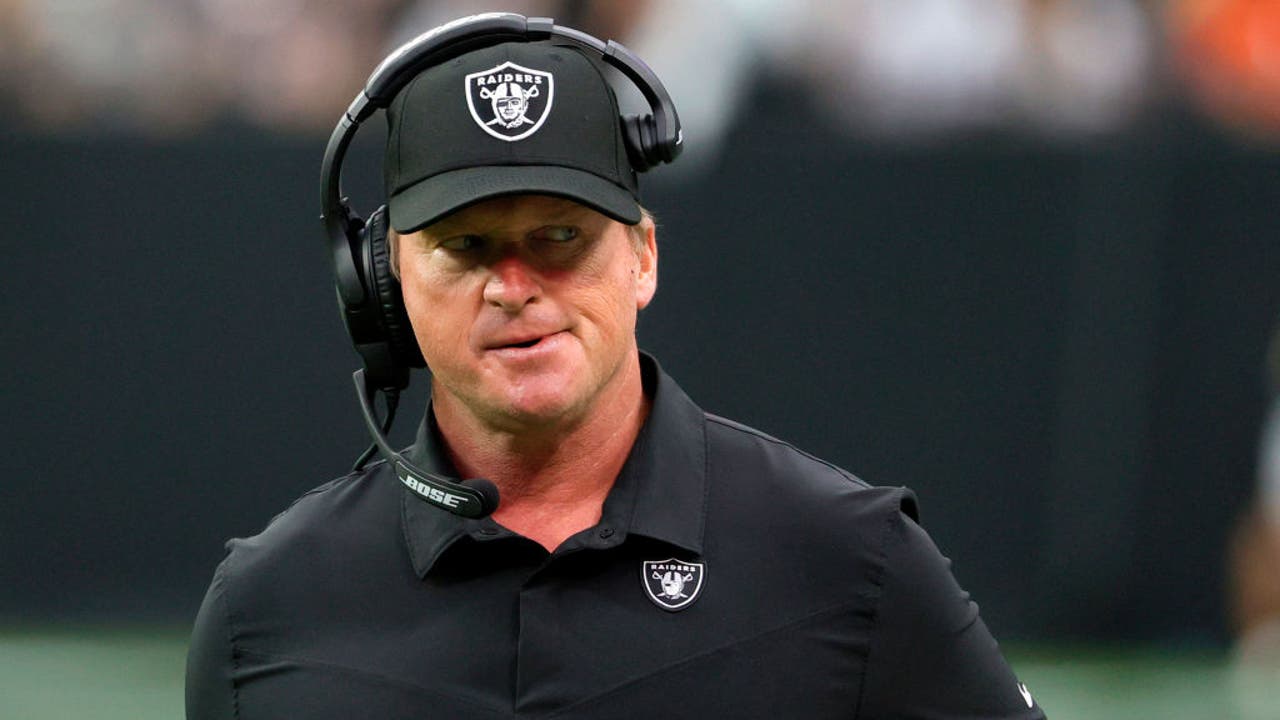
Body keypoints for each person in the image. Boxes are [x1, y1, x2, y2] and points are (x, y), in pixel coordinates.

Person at [186, 15, 1046, 719]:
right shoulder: (266, 608)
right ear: (385, 283)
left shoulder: (850, 562)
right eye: (466, 246)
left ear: (643, 257)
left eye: (560, 237)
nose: (513, 287)